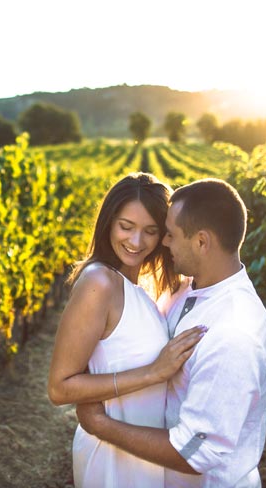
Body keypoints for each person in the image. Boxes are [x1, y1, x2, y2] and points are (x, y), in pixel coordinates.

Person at [76, 178, 266, 487]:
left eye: (170, 234)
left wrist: (100, 425)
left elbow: (193, 454)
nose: (164, 243)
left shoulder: (233, 335)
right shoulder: (189, 290)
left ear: (201, 242)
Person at [48, 173, 206, 488]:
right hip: (111, 457)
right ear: (108, 222)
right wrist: (153, 373)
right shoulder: (100, 283)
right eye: (126, 226)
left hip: (143, 451)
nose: (136, 242)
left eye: (150, 231)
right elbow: (59, 388)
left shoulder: (141, 287)